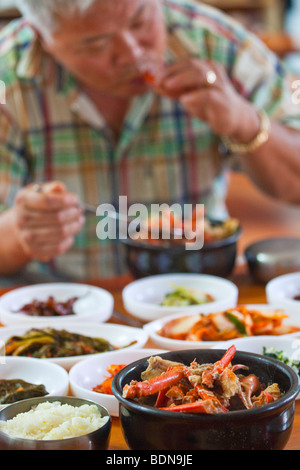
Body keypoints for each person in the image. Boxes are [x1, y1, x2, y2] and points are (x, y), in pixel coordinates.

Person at [0, 0, 299, 282]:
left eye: (140, 21)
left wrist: (244, 121)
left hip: (202, 290)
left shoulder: (215, 42)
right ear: (43, 37)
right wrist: (21, 232)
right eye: (96, 44)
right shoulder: (7, 73)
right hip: (61, 304)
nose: (131, 54)